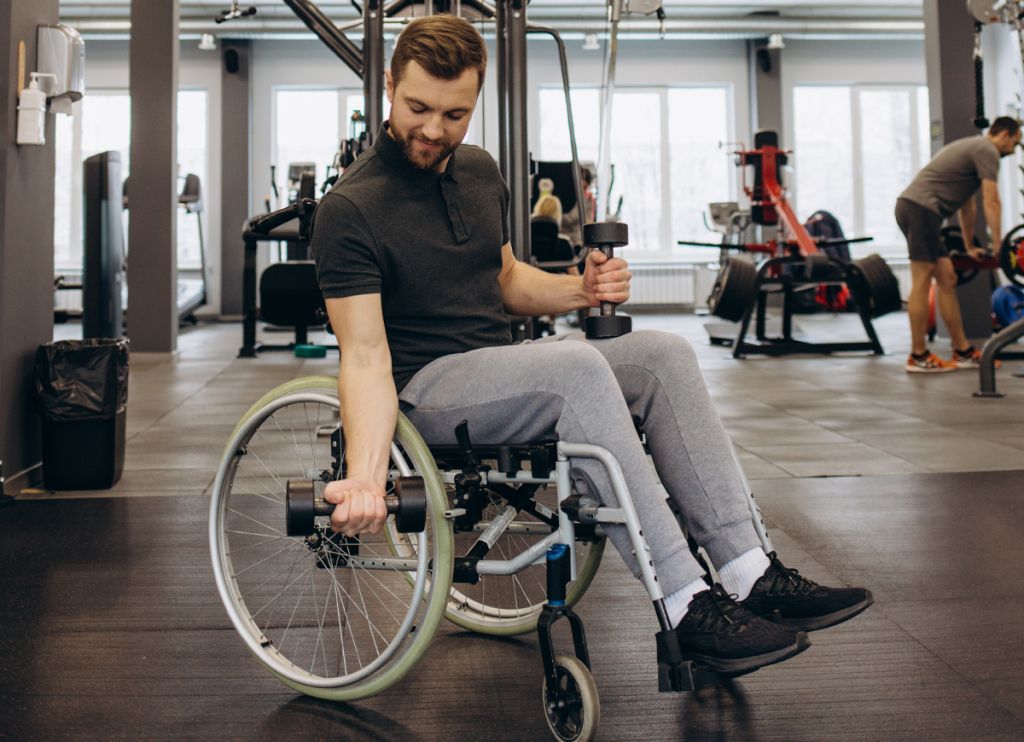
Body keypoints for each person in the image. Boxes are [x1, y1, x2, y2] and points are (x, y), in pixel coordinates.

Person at [311, 14, 871, 676]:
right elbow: (367, 357)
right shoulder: (351, 208)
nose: (434, 130)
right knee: (574, 368)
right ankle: (685, 602)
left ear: (477, 100)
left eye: (455, 114)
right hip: (425, 391)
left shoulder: (481, 172)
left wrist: (582, 289)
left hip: (500, 372)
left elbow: (505, 279)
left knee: (663, 355)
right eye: (418, 108)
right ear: (387, 86)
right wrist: (368, 478)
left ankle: (749, 569)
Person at [896, 116, 1022, 373]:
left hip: (922, 210)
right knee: (922, 279)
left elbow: (968, 206)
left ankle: (962, 350)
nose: (1015, 148)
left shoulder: (973, 149)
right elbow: (992, 200)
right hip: (921, 210)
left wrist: (969, 246)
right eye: (1016, 142)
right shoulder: (987, 151)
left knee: (948, 278)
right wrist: (997, 245)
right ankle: (918, 356)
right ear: (1006, 134)